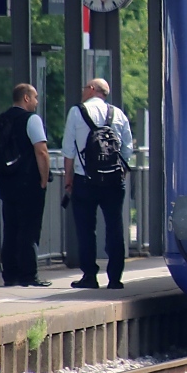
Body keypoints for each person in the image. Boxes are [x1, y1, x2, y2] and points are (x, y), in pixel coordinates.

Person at [63, 78, 134, 289]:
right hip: (113, 181)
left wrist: (68, 179)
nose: (83, 91)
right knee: (114, 227)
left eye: (85, 87)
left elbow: (68, 149)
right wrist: (119, 172)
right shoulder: (118, 114)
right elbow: (127, 149)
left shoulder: (77, 112)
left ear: (92, 89)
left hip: (85, 179)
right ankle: (115, 278)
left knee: (86, 229)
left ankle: (90, 276)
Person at [0, 84, 51, 287]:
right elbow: (41, 151)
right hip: (28, 182)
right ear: (26, 98)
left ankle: (10, 275)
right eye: (35, 97)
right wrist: (44, 179)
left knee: (10, 229)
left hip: (6, 182)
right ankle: (28, 275)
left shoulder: (3, 119)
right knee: (29, 229)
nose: (37, 101)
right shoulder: (31, 119)